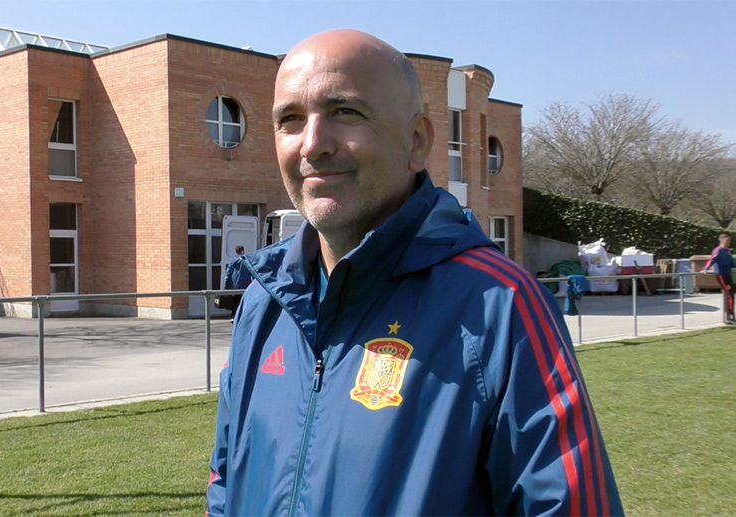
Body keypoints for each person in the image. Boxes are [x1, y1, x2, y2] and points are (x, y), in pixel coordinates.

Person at [207, 29, 623, 516]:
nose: (313, 144)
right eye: (291, 120)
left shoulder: (498, 303)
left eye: (346, 111)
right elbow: (226, 480)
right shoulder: (263, 301)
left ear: (418, 141)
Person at [704, 233, 735, 323]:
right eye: (727, 241)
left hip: (728, 275)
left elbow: (731, 264)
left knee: (731, 295)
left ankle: (730, 316)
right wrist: (706, 269)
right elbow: (712, 260)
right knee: (729, 295)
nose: (729, 242)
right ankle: (730, 317)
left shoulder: (727, 251)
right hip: (721, 275)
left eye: (729, 241)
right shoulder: (718, 250)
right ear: (722, 241)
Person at [222, 245, 251, 319]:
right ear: (242, 251)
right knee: (245, 301)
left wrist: (225, 286)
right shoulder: (246, 260)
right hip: (246, 284)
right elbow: (252, 272)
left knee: (236, 300)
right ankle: (243, 317)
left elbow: (228, 273)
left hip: (236, 284)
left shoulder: (233, 261)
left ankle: (234, 316)